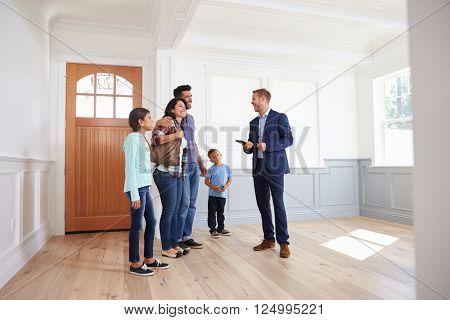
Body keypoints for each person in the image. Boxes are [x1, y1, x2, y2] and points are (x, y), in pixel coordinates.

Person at [242, 88, 293, 258]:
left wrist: (268, 146)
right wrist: (247, 146)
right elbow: (251, 147)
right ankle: (269, 239)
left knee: (278, 204)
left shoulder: (280, 117)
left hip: (276, 168)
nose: (252, 102)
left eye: (254, 99)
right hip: (259, 168)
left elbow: (288, 139)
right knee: (263, 204)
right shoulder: (253, 122)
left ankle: (284, 243)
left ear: (263, 99)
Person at [155, 85, 206, 250]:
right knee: (181, 205)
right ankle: (175, 239)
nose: (189, 100)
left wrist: (200, 162)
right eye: (186, 98)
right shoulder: (169, 120)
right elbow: (159, 132)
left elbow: (192, 141)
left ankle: (186, 236)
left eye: (190, 97)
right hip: (177, 168)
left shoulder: (190, 119)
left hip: (191, 165)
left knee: (191, 204)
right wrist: (160, 122)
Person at [123, 107, 169, 276]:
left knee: (151, 221)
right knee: (137, 226)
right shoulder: (133, 139)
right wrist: (134, 194)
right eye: (149, 118)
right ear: (140, 122)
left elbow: (142, 167)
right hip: (136, 189)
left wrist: (155, 164)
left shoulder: (142, 138)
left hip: (144, 187)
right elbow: (130, 168)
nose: (152, 120)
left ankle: (148, 259)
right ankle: (135, 263)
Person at [151, 98, 189, 258]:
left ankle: (173, 244)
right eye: (180, 105)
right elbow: (156, 140)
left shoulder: (179, 125)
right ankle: (166, 247)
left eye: (185, 106)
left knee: (175, 211)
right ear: (172, 109)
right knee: (169, 211)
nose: (184, 108)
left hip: (177, 173)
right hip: (165, 172)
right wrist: (175, 136)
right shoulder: (166, 122)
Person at [204, 149, 232, 239]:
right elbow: (206, 181)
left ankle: (221, 228)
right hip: (213, 196)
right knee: (212, 213)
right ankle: (213, 229)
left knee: (221, 212)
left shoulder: (226, 167)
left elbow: (230, 179)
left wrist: (226, 186)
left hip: (222, 196)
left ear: (221, 155)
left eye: (217, 154)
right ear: (211, 160)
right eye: (213, 156)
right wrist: (213, 187)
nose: (215, 157)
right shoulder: (211, 169)